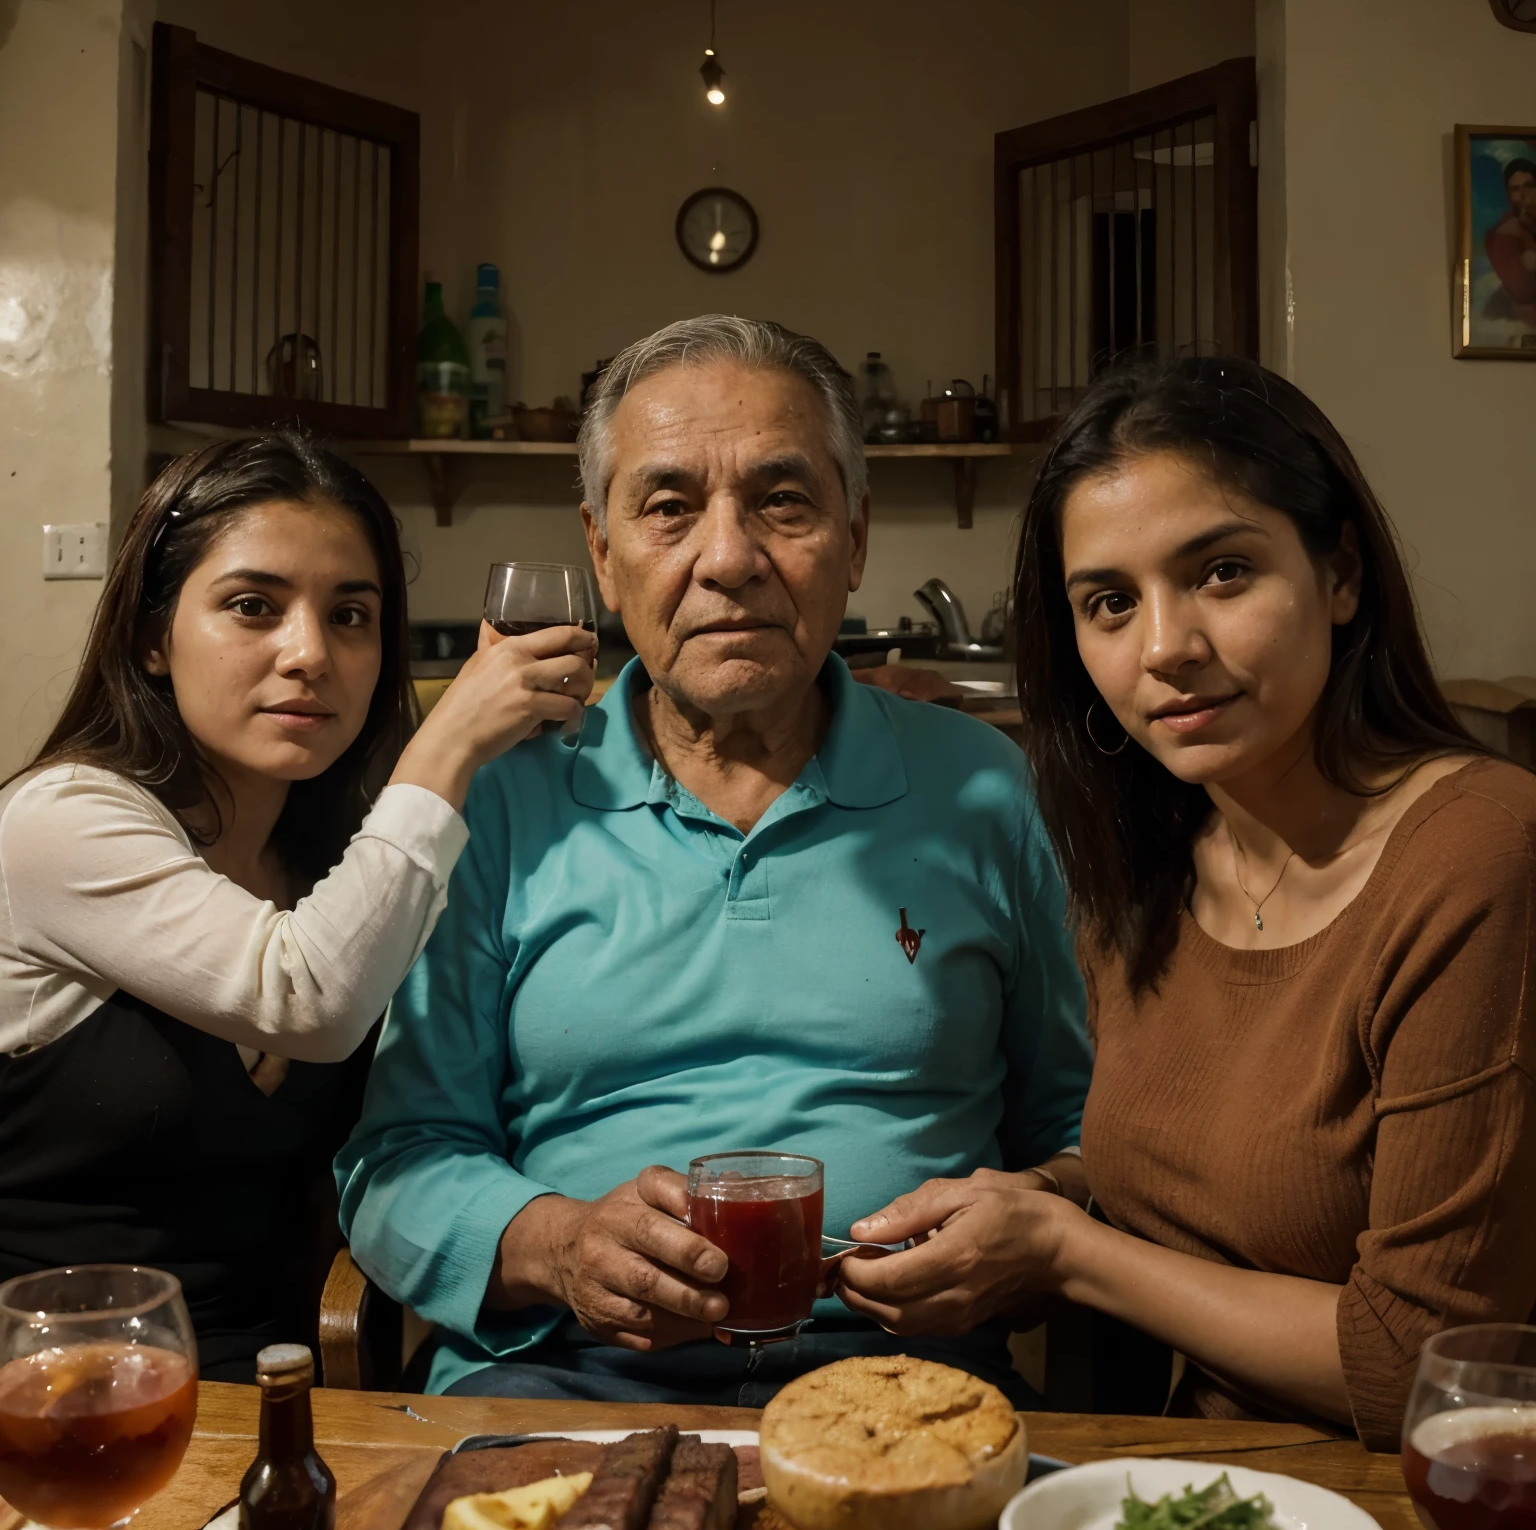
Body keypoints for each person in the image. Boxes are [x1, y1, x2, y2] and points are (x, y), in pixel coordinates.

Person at [335, 315, 1092, 1405]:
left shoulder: (983, 787)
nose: (729, 558)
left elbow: (1079, 1134)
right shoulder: (499, 799)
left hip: (904, 1388)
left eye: (783, 502)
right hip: (559, 1381)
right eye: (670, 507)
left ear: (856, 535)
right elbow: (396, 1162)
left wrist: (1031, 1225)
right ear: (601, 552)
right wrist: (554, 1245)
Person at [835, 356, 1536, 1450]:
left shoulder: (1481, 850)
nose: (1166, 648)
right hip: (1184, 1479)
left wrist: (1065, 1250)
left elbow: (1421, 1373)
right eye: (1108, 602)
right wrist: (1031, 1204)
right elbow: (1196, 1184)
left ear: (1339, 572)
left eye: (1220, 573)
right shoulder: (1150, 855)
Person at [0, 433, 595, 1379]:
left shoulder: (349, 851)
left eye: (351, 615)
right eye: (252, 607)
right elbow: (306, 997)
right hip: (58, 1391)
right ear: (153, 638)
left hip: (285, 1390)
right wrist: (446, 746)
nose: (310, 654)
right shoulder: (58, 823)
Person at [1485, 156, 1536, 329]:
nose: (1523, 195)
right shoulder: (1501, 235)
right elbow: (1521, 291)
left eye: (1529, 186)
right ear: (1508, 195)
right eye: (1515, 189)